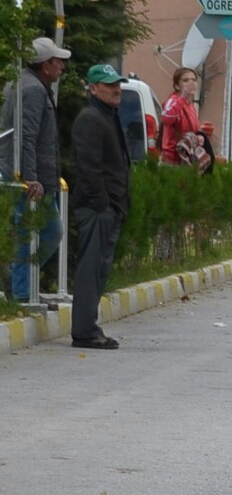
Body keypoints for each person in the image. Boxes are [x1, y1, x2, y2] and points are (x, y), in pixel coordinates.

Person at [2, 37, 70, 301]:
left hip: (23, 172)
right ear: (45, 65)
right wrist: (30, 178)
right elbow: (26, 136)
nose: (62, 66)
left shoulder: (23, 83)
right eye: (58, 61)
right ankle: (21, 288)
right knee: (46, 231)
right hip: (31, 177)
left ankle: (21, 284)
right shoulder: (34, 90)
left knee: (33, 231)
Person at [69, 64, 131, 350]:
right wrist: (103, 203)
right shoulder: (91, 118)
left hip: (109, 207)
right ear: (93, 89)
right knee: (91, 270)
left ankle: (88, 327)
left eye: (117, 84)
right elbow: (89, 166)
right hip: (96, 209)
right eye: (109, 85)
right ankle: (85, 331)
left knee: (99, 269)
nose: (116, 89)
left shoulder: (107, 115)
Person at [160, 67, 210, 172]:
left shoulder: (190, 106)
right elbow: (167, 118)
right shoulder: (173, 100)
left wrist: (199, 137)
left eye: (193, 80)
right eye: (185, 80)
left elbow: (193, 129)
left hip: (186, 160)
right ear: (177, 86)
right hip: (171, 161)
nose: (191, 83)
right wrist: (183, 96)